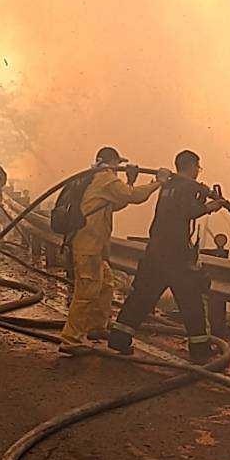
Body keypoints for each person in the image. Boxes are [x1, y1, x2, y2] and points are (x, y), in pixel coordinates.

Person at [107, 150, 230, 364]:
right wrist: (210, 206)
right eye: (197, 168)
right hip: (176, 257)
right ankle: (200, 348)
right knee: (191, 301)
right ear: (192, 166)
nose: (197, 172)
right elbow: (187, 212)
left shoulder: (168, 186)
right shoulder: (185, 187)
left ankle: (119, 337)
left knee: (141, 297)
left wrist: (203, 195)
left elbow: (178, 210)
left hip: (155, 251)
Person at [57, 146, 166, 356]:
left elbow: (118, 202)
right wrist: (158, 182)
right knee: (86, 291)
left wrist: (131, 181)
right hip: (88, 245)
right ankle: (70, 340)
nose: (119, 169)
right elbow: (133, 196)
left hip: (95, 246)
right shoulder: (104, 177)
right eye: (118, 164)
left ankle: (97, 327)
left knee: (106, 284)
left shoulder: (97, 179)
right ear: (112, 162)